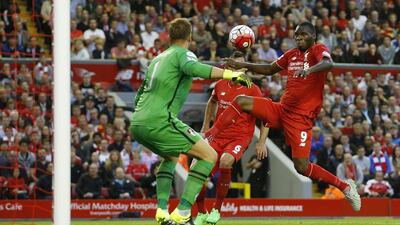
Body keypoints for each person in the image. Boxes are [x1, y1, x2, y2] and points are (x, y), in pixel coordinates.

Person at [206, 21, 361, 211]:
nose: (298, 38)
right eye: (296, 35)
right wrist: (242, 64)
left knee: (302, 167)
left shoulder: (317, 50)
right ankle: (210, 135)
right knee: (241, 100)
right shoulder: (291, 54)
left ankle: (345, 186)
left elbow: (329, 63)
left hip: (300, 119)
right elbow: (270, 69)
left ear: (313, 37)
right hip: (282, 110)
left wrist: (309, 70)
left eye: (303, 34)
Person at [130, 18, 250, 225]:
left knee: (170, 157)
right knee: (209, 155)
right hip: (160, 120)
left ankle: (161, 211)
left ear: (169, 36)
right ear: (190, 37)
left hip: (138, 122)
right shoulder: (183, 54)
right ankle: (184, 211)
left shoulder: (157, 59)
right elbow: (194, 68)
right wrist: (231, 74)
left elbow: (139, 94)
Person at [194, 51, 269, 225]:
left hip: (239, 137)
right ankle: (201, 212)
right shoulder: (220, 85)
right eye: (236, 66)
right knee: (198, 170)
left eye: (242, 66)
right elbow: (211, 102)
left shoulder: (253, 89)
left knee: (226, 161)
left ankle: (217, 210)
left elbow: (267, 117)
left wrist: (262, 141)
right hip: (217, 135)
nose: (240, 70)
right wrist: (206, 127)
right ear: (229, 68)